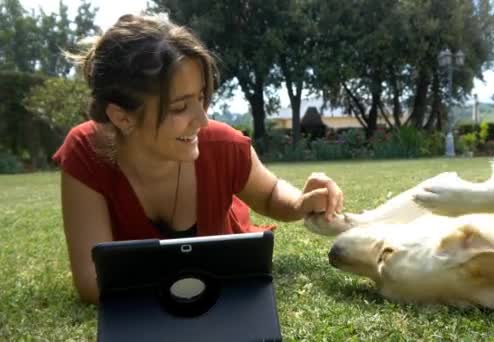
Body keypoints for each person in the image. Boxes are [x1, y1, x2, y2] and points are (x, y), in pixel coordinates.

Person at [53, 14, 344, 305]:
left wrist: (300, 203)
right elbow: (93, 282)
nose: (202, 120)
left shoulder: (222, 144)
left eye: (201, 97)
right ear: (122, 117)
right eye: (180, 107)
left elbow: (268, 194)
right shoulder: (85, 152)